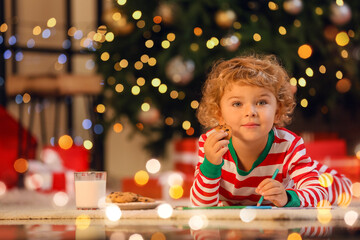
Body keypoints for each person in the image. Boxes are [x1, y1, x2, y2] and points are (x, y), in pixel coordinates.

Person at [190, 54, 352, 207]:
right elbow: (200, 205)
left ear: (277, 111)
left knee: (342, 189)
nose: (250, 112)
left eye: (261, 102)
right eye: (237, 104)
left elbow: (317, 192)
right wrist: (210, 165)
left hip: (302, 182)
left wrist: (287, 197)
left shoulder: (289, 145)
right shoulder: (212, 143)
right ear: (220, 114)